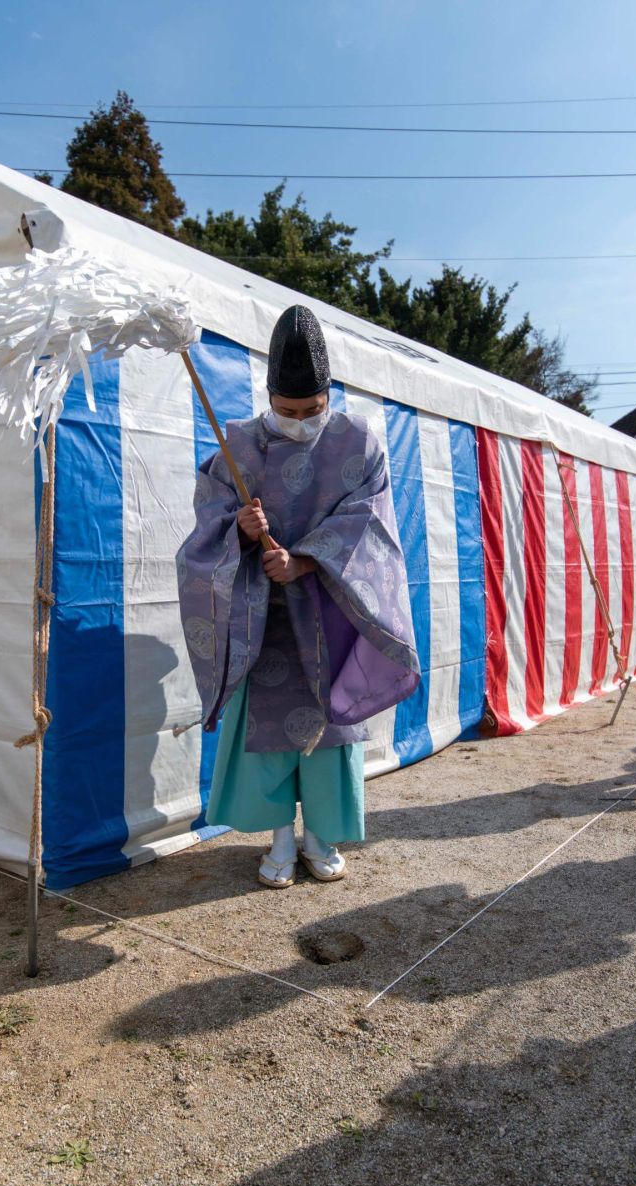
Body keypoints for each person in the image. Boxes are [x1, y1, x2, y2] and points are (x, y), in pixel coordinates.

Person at [177, 305, 420, 886]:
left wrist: (306, 560)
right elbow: (205, 523)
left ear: (329, 394)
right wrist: (239, 527)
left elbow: (372, 522)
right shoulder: (236, 443)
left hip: (332, 610)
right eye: (287, 412)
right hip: (262, 617)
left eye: (313, 410)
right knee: (267, 732)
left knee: (331, 732)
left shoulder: (359, 441)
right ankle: (281, 839)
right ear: (268, 397)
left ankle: (320, 836)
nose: (301, 421)